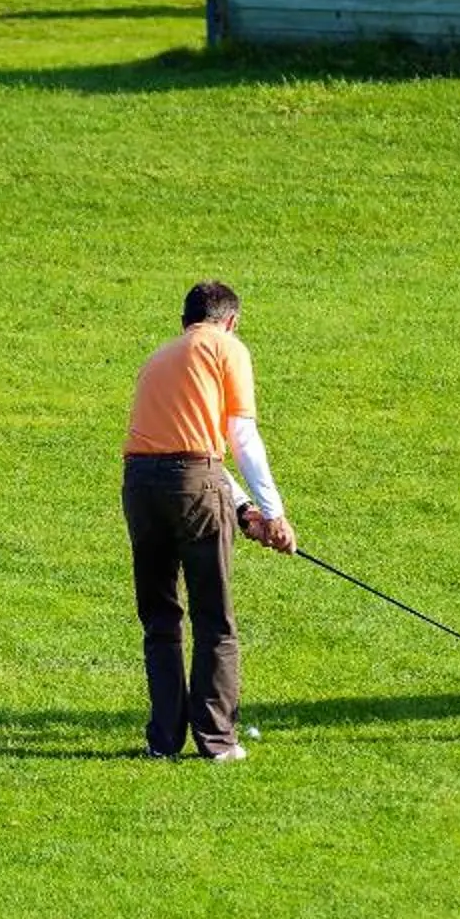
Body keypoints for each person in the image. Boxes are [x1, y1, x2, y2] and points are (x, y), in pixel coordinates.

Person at [121, 279, 295, 761]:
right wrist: (275, 514)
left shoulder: (159, 357)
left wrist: (244, 511)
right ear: (231, 321)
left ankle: (164, 742)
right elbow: (239, 438)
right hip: (194, 484)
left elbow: (194, 451)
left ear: (184, 322)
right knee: (214, 618)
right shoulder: (227, 348)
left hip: (140, 485)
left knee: (160, 618)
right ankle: (218, 741)